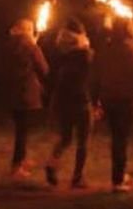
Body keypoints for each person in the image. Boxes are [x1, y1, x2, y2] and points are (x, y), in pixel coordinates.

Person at [92, 18, 133, 193]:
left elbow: (95, 75)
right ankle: (118, 180)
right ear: (128, 30)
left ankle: (119, 174)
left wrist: (95, 99)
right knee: (121, 140)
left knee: (116, 139)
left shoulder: (104, 49)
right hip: (126, 101)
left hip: (108, 99)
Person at [45, 18, 93, 188]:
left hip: (63, 99)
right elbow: (90, 78)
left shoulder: (60, 50)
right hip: (80, 100)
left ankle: (51, 163)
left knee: (65, 138)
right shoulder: (85, 53)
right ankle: (77, 177)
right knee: (83, 141)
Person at [5, 19, 49, 178]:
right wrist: (35, 48)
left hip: (10, 92)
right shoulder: (30, 47)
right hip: (25, 93)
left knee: (20, 129)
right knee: (22, 131)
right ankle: (17, 166)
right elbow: (44, 68)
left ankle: (21, 159)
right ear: (27, 30)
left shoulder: (8, 45)